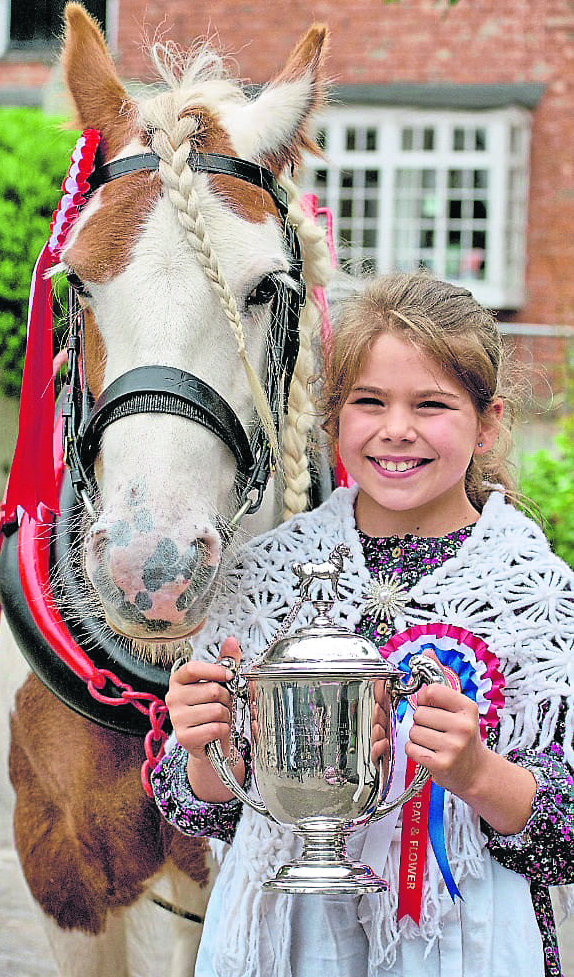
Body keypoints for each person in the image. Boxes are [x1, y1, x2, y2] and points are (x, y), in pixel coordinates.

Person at [152, 272, 574, 977]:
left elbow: (564, 839)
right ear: (332, 420)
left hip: (468, 942)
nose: (395, 429)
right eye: (368, 402)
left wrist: (476, 773)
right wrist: (204, 751)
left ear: (489, 421)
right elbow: (207, 810)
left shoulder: (537, 596)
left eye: (431, 404)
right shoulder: (262, 579)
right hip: (285, 938)